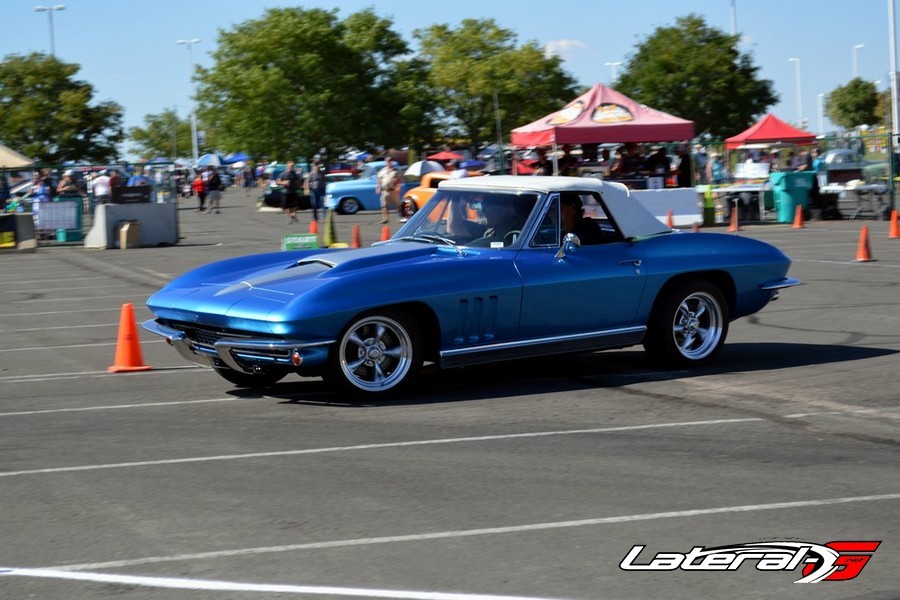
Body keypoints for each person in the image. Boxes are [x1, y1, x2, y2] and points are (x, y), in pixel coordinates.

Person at [375, 157, 401, 223]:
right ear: (386, 162)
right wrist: (378, 187)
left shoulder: (395, 171)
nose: (389, 162)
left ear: (392, 162)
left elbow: (399, 180)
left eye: (390, 161)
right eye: (388, 161)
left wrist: (398, 187)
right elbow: (379, 180)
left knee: (397, 205)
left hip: (393, 190)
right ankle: (385, 218)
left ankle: (399, 217)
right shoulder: (382, 171)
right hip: (385, 190)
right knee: (384, 205)